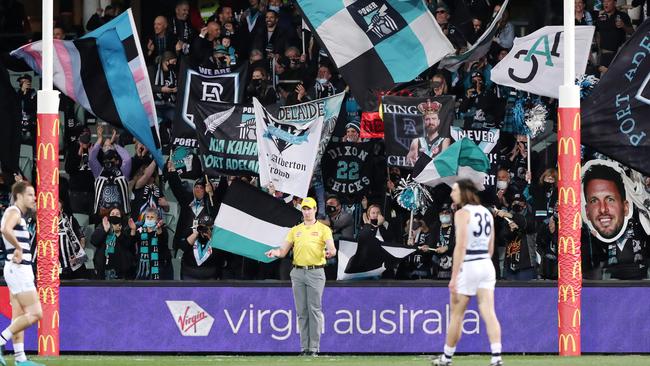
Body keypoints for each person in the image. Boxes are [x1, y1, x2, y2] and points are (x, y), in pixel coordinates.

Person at [433, 179, 502, 366]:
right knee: (489, 312)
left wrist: (454, 277)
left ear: (463, 192)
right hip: (486, 265)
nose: (451, 193)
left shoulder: (462, 213)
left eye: (454, 190)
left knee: (457, 314)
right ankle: (496, 357)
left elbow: (460, 245)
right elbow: (490, 247)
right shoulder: (487, 212)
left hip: (470, 264)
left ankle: (446, 357)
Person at [265, 197, 336, 356]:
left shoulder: (324, 229)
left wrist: (330, 252)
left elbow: (332, 248)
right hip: (297, 272)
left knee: (314, 310)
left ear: (315, 209)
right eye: (304, 209)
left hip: (315, 272)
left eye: (309, 208)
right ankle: (304, 348)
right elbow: (283, 252)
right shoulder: (295, 230)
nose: (307, 212)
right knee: (302, 312)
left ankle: (314, 348)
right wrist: (274, 252)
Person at [0, 181, 45, 366]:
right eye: (30, 194)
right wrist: (18, 248)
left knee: (18, 316)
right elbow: (4, 229)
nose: (34, 198)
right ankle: (1, 341)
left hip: (18, 270)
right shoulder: (13, 212)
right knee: (36, 314)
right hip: (19, 270)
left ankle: (20, 359)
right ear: (19, 196)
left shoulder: (19, 214)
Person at [406, 100, 450, 165]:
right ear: (424, 122)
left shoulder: (445, 140)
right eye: (427, 119)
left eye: (434, 118)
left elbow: (445, 162)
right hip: (421, 174)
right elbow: (409, 163)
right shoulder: (416, 141)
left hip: (437, 174)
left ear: (439, 121)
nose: (431, 122)